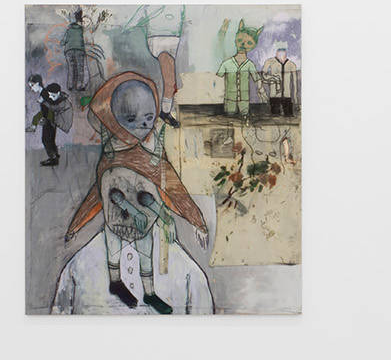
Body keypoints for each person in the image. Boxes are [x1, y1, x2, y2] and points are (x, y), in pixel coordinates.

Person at [61, 72, 209, 314]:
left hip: (148, 229)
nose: (142, 125)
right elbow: (96, 197)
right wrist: (75, 226)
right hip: (114, 227)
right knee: (111, 256)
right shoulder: (110, 155)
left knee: (148, 259)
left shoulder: (153, 158)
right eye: (132, 118)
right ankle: (116, 282)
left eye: (149, 118)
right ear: (114, 120)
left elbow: (175, 190)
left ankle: (149, 294)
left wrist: (196, 221)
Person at [217, 24, 260, 119]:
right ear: (235, 40)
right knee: (229, 117)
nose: (243, 45)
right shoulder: (226, 63)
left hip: (244, 101)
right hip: (229, 100)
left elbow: (257, 80)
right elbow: (218, 80)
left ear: (253, 46)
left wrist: (262, 93)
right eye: (240, 40)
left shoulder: (250, 64)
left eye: (249, 43)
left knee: (245, 117)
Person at [28, 75, 71, 166]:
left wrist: (46, 119)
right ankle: (55, 156)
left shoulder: (44, 93)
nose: (31, 89)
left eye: (32, 86)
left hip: (49, 120)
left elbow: (52, 106)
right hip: (50, 120)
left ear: (37, 83)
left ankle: (53, 159)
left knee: (46, 139)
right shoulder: (44, 93)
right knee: (50, 139)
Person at [262, 40, 300, 118]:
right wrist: (273, 78)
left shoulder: (291, 64)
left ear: (286, 51)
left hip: (287, 95)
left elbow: (295, 82)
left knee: (289, 117)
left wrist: (295, 97)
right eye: (279, 50)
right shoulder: (269, 62)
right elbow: (263, 75)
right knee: (275, 117)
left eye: (283, 50)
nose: (281, 52)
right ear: (276, 51)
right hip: (274, 95)